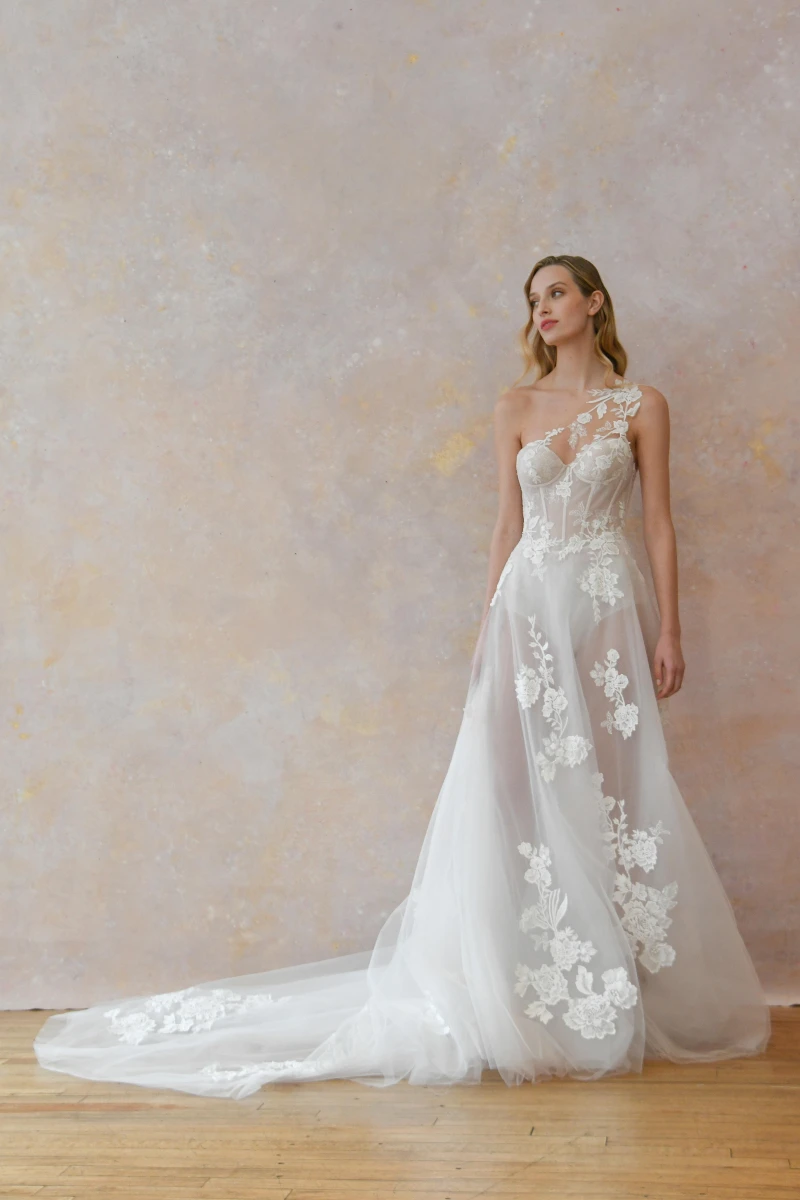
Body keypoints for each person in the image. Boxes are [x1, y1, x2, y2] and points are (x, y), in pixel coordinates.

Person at [33, 254, 771, 1100]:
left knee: (609, 791)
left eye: (557, 293)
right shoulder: (514, 406)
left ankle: (605, 991)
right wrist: (488, 625)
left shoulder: (642, 406)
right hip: (527, 610)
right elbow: (506, 526)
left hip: (603, 611)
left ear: (595, 302)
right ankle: (515, 983)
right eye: (533, 298)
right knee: (511, 787)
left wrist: (670, 628)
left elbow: (661, 524)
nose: (542, 309)